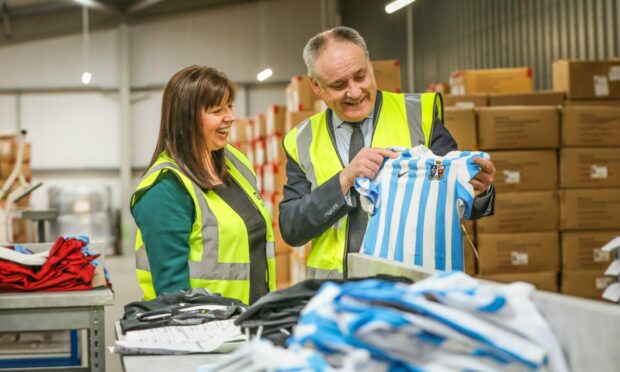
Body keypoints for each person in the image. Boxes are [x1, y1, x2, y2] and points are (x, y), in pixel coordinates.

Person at [279, 27, 496, 279]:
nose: (355, 91)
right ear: (316, 86)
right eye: (339, 84)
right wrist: (344, 180)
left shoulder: (419, 115)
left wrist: (480, 191)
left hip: (409, 289)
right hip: (335, 296)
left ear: (369, 64)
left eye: (360, 76)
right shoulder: (302, 140)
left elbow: (456, 193)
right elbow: (292, 228)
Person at [131, 65, 275, 304]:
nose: (231, 117)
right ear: (186, 120)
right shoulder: (165, 189)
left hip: (250, 321)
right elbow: (172, 293)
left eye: (230, 106)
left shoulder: (236, 163)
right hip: (204, 331)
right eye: (218, 110)